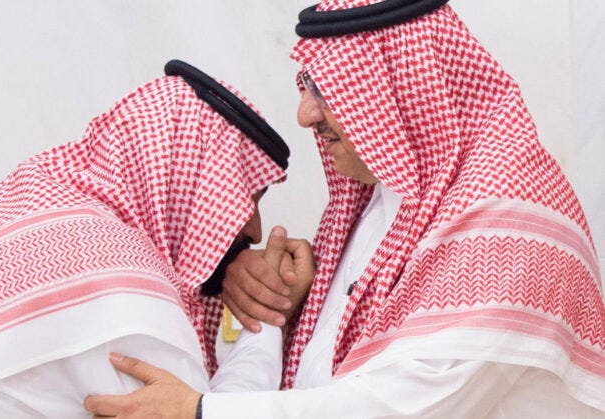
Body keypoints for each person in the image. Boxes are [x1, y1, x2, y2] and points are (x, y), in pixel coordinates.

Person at [83, 2, 605, 418]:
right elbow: (314, 379)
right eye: (308, 87)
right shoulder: (376, 207)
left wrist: (199, 412)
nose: (306, 114)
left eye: (327, 89)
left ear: (401, 83)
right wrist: (277, 307)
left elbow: (402, 404)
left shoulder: (509, 215)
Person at [0, 60, 307, 417]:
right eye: (245, 193)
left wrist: (235, 305)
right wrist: (266, 319)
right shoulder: (124, 291)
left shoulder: (20, 215)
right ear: (188, 180)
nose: (253, 228)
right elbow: (197, 411)